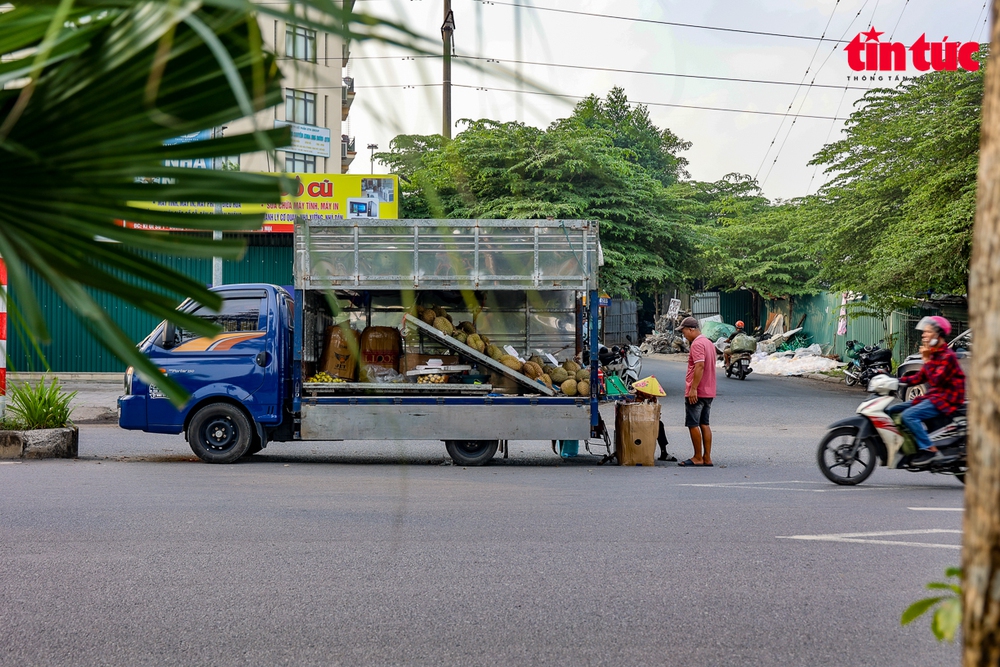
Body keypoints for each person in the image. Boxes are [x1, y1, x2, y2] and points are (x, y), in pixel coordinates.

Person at [887, 316, 965, 465]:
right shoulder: (935, 354)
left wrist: (927, 360)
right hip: (934, 396)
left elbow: (936, 380)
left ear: (938, 334)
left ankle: (929, 450)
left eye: (927, 332)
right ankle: (907, 445)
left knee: (908, 416)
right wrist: (893, 381)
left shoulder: (947, 356)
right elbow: (918, 378)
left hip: (946, 399)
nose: (923, 335)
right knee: (894, 410)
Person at [678, 316, 717, 467]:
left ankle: (697, 457)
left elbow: (699, 366)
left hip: (697, 390)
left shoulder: (697, 344)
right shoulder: (708, 343)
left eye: (684, 332)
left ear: (691, 329)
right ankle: (707, 457)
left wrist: (693, 388)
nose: (684, 335)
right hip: (709, 390)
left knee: (693, 424)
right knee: (704, 424)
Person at [631, 376, 677, 462]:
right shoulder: (634, 396)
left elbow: (656, 414)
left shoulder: (653, 399)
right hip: (635, 421)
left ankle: (664, 452)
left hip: (648, 421)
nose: (651, 395)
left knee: (660, 424)